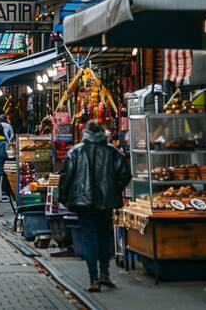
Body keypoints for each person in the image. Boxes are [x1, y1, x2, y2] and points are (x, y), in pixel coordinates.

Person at [59, 120, 131, 292]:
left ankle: (94, 279)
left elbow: (66, 177)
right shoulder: (112, 152)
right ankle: (105, 274)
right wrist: (114, 188)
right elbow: (125, 174)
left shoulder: (75, 151)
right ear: (102, 134)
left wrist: (64, 198)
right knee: (104, 236)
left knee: (89, 237)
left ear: (85, 133)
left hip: (83, 203)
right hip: (106, 203)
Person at [0, 114, 15, 201]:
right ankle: (5, 193)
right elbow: (11, 137)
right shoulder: (8, 126)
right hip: (7, 150)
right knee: (6, 173)